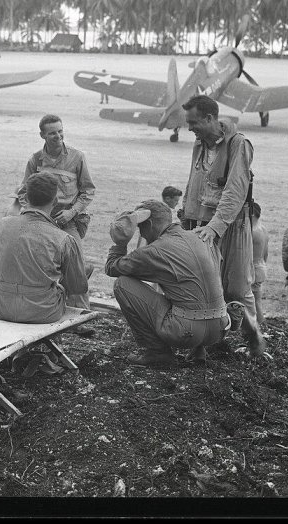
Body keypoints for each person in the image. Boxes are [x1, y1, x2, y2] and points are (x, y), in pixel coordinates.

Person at [180, 95, 267, 357]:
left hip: (231, 227)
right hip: (201, 227)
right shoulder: (200, 144)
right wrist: (186, 213)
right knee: (203, 288)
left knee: (238, 289)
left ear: (210, 118)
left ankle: (255, 347)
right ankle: (202, 348)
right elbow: (193, 180)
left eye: (194, 122)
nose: (190, 128)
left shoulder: (238, 145)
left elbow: (236, 191)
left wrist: (215, 227)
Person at [105, 200, 234, 367]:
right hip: (220, 328)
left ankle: (157, 352)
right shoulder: (203, 237)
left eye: (140, 229)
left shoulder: (154, 250)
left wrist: (120, 242)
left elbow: (112, 268)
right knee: (189, 289)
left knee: (122, 284)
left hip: (185, 332)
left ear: (149, 224)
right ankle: (199, 351)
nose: (142, 235)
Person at [18, 114, 95, 309]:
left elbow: (88, 191)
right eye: (52, 133)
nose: (58, 136)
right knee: (36, 263)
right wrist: (33, 213)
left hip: (67, 220)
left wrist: (72, 213)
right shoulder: (35, 160)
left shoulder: (77, 157)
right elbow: (23, 192)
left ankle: (80, 315)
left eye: (60, 131)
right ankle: (43, 306)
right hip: (41, 220)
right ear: (42, 135)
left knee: (76, 264)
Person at [0, 173, 88, 324]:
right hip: (41, 312)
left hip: (0, 307)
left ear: (26, 199)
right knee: (86, 269)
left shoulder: (3, 224)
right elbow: (78, 288)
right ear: (55, 201)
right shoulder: (63, 239)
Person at [251, 202, 269, 326]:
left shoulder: (251, 231)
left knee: (254, 302)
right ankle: (261, 325)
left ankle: (260, 326)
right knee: (257, 301)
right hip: (261, 267)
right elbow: (266, 253)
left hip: (253, 270)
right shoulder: (263, 229)